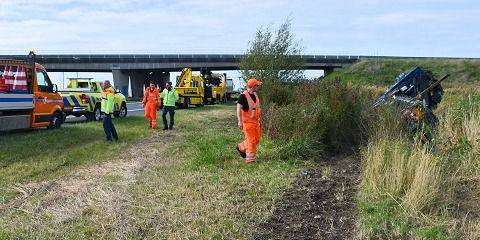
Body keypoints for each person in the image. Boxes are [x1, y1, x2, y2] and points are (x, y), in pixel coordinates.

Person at [236, 78, 262, 164]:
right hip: (247, 123)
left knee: (257, 139)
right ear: (253, 86)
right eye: (257, 85)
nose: (258, 87)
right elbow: (238, 109)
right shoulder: (243, 96)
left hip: (256, 123)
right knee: (251, 141)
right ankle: (250, 160)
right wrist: (239, 121)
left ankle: (241, 147)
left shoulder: (255, 95)